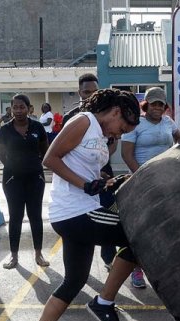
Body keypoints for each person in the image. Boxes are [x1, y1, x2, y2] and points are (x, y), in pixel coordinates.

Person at [25, 89, 141, 321]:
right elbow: (50, 159)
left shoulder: (100, 135)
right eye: (122, 127)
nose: (120, 134)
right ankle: (103, 303)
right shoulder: (84, 121)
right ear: (114, 112)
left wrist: (103, 178)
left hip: (78, 212)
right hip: (76, 212)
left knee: (74, 280)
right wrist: (86, 185)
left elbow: (80, 166)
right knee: (138, 239)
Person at [121, 86, 178, 288]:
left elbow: (179, 142)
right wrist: (142, 176)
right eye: (153, 103)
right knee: (142, 229)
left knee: (165, 227)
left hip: (165, 181)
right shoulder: (136, 124)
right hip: (141, 182)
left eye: (160, 104)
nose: (156, 107)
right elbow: (126, 154)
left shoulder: (168, 123)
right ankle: (136, 270)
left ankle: (161, 270)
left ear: (165, 107)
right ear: (145, 105)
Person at [62, 73, 118, 273]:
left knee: (109, 214)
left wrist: (100, 164)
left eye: (94, 92)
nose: (90, 96)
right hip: (78, 182)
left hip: (103, 174)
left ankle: (109, 259)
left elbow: (113, 143)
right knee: (75, 226)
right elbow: (62, 153)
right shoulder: (73, 117)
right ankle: (73, 271)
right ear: (79, 92)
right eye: (86, 92)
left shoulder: (107, 115)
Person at [0, 94, 50, 269]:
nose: (18, 111)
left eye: (22, 107)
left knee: (35, 216)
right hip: (12, 180)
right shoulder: (5, 130)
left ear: (29, 108)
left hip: (36, 178)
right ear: (11, 108)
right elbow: (0, 154)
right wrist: (14, 167)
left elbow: (44, 150)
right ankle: (14, 256)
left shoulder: (37, 127)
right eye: (15, 107)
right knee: (15, 216)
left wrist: (32, 165)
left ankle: (38, 254)